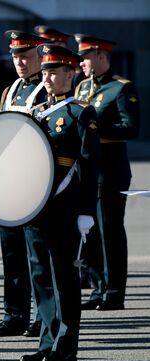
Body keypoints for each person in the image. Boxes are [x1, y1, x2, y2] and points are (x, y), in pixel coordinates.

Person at [20, 44, 100, 361]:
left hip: (64, 208)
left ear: (72, 74)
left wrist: (86, 211)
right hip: (36, 206)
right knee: (40, 275)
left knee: (63, 278)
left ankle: (66, 345)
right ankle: (47, 340)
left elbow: (90, 166)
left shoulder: (80, 113)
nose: (48, 78)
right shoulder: (36, 112)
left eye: (55, 72)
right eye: (46, 72)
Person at [0, 30, 48, 338]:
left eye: (25, 55)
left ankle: (42, 314)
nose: (19, 61)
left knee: (36, 254)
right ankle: (14, 314)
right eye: (15, 55)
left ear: (39, 55)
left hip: (34, 180)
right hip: (9, 180)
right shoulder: (10, 90)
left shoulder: (46, 89)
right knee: (11, 252)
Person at [75, 34, 140, 311]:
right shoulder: (81, 88)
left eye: (86, 56)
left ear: (102, 56)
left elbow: (131, 128)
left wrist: (95, 132)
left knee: (108, 230)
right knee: (88, 232)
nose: (82, 62)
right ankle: (97, 287)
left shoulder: (120, 88)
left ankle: (114, 292)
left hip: (109, 171)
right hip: (84, 172)